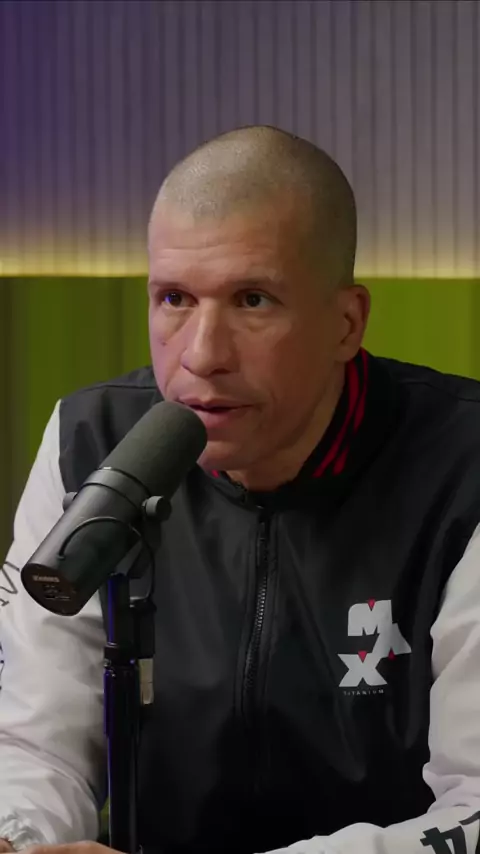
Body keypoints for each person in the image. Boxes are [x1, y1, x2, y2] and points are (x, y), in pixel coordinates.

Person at [1, 125, 480, 854]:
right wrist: (20, 839)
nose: (202, 355)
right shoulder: (89, 441)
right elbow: (32, 741)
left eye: (253, 300)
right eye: (174, 299)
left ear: (346, 322)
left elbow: (474, 809)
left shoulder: (464, 463)